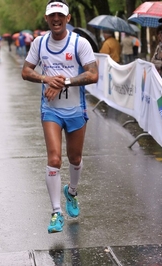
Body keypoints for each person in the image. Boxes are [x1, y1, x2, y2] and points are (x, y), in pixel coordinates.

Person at [21, 0, 98, 234]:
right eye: (52, 15)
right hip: (51, 110)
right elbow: (26, 71)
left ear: (68, 18)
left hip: (76, 110)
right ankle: (56, 212)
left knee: (75, 158)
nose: (56, 19)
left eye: (60, 15)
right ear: (46, 19)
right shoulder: (39, 43)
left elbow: (93, 74)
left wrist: (65, 80)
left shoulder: (79, 43)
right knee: (54, 159)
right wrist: (46, 79)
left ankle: (71, 193)